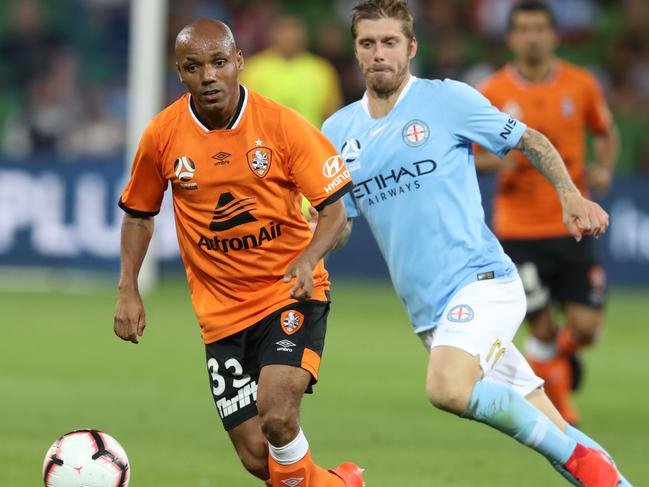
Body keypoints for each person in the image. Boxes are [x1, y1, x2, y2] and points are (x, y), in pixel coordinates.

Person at [322, 1, 630, 485]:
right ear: (355, 51)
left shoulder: (447, 100)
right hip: (429, 312)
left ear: (411, 48)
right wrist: (307, 250)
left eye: (390, 42)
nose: (379, 53)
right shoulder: (338, 131)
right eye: (368, 43)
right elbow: (341, 223)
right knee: (547, 424)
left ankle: (577, 457)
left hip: (482, 282)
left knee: (447, 388)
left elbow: (531, 140)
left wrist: (570, 194)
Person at [113, 19, 363, 487]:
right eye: (194, 67)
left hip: (288, 294)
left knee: (278, 418)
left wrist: (308, 259)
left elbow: (334, 211)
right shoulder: (163, 135)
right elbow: (138, 215)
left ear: (239, 64)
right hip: (221, 314)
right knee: (256, 456)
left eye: (218, 63)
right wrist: (128, 288)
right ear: (180, 73)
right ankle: (341, 483)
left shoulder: (282, 126)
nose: (208, 76)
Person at [474, 0, 620, 426]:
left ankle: (556, 364)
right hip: (518, 229)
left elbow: (605, 131)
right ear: (511, 37)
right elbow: (470, 155)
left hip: (571, 224)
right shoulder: (494, 91)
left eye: (540, 28)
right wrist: (495, 163)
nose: (532, 36)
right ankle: (558, 408)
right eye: (524, 29)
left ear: (554, 35)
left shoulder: (581, 84)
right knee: (539, 329)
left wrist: (604, 170)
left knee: (587, 327)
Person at [240, 14, 344, 128]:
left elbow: (333, 115)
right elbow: (242, 112)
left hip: (310, 141)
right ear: (272, 34)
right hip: (265, 142)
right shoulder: (254, 68)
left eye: (294, 31)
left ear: (304, 35)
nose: (289, 37)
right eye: (283, 31)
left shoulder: (321, 69)